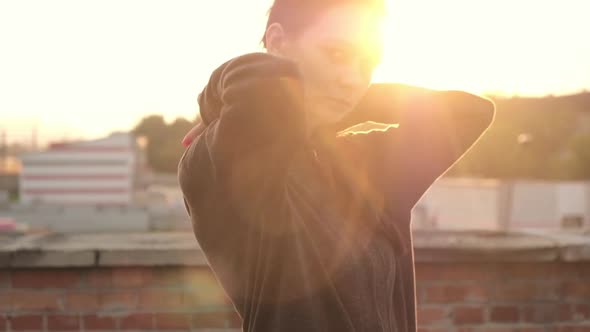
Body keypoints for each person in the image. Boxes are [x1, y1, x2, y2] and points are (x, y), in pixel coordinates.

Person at [178, 0, 495, 331]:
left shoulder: (362, 167)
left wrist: (340, 105)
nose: (353, 78)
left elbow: (467, 113)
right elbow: (261, 83)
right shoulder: (221, 159)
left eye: (367, 65)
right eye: (337, 54)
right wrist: (213, 98)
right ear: (277, 42)